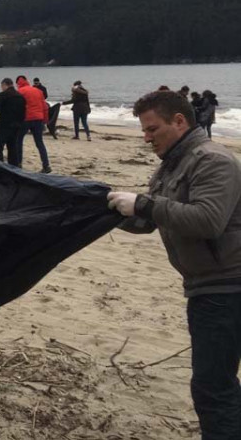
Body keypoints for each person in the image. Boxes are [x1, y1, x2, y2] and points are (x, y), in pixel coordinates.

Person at [107, 90, 241, 440]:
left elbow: (207, 220)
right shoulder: (171, 165)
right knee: (217, 383)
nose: (146, 137)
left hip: (227, 287)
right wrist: (105, 212)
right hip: (206, 286)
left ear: (179, 121)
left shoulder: (212, 160)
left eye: (152, 129)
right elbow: (150, 221)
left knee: (213, 387)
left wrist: (144, 205)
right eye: (144, 130)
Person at [15, 75, 51, 173]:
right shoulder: (38, 91)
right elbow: (45, 107)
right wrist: (45, 121)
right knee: (39, 142)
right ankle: (46, 165)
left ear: (18, 83)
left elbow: (17, 108)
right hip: (38, 118)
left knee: (18, 140)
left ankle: (18, 164)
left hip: (26, 119)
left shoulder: (20, 92)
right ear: (27, 81)